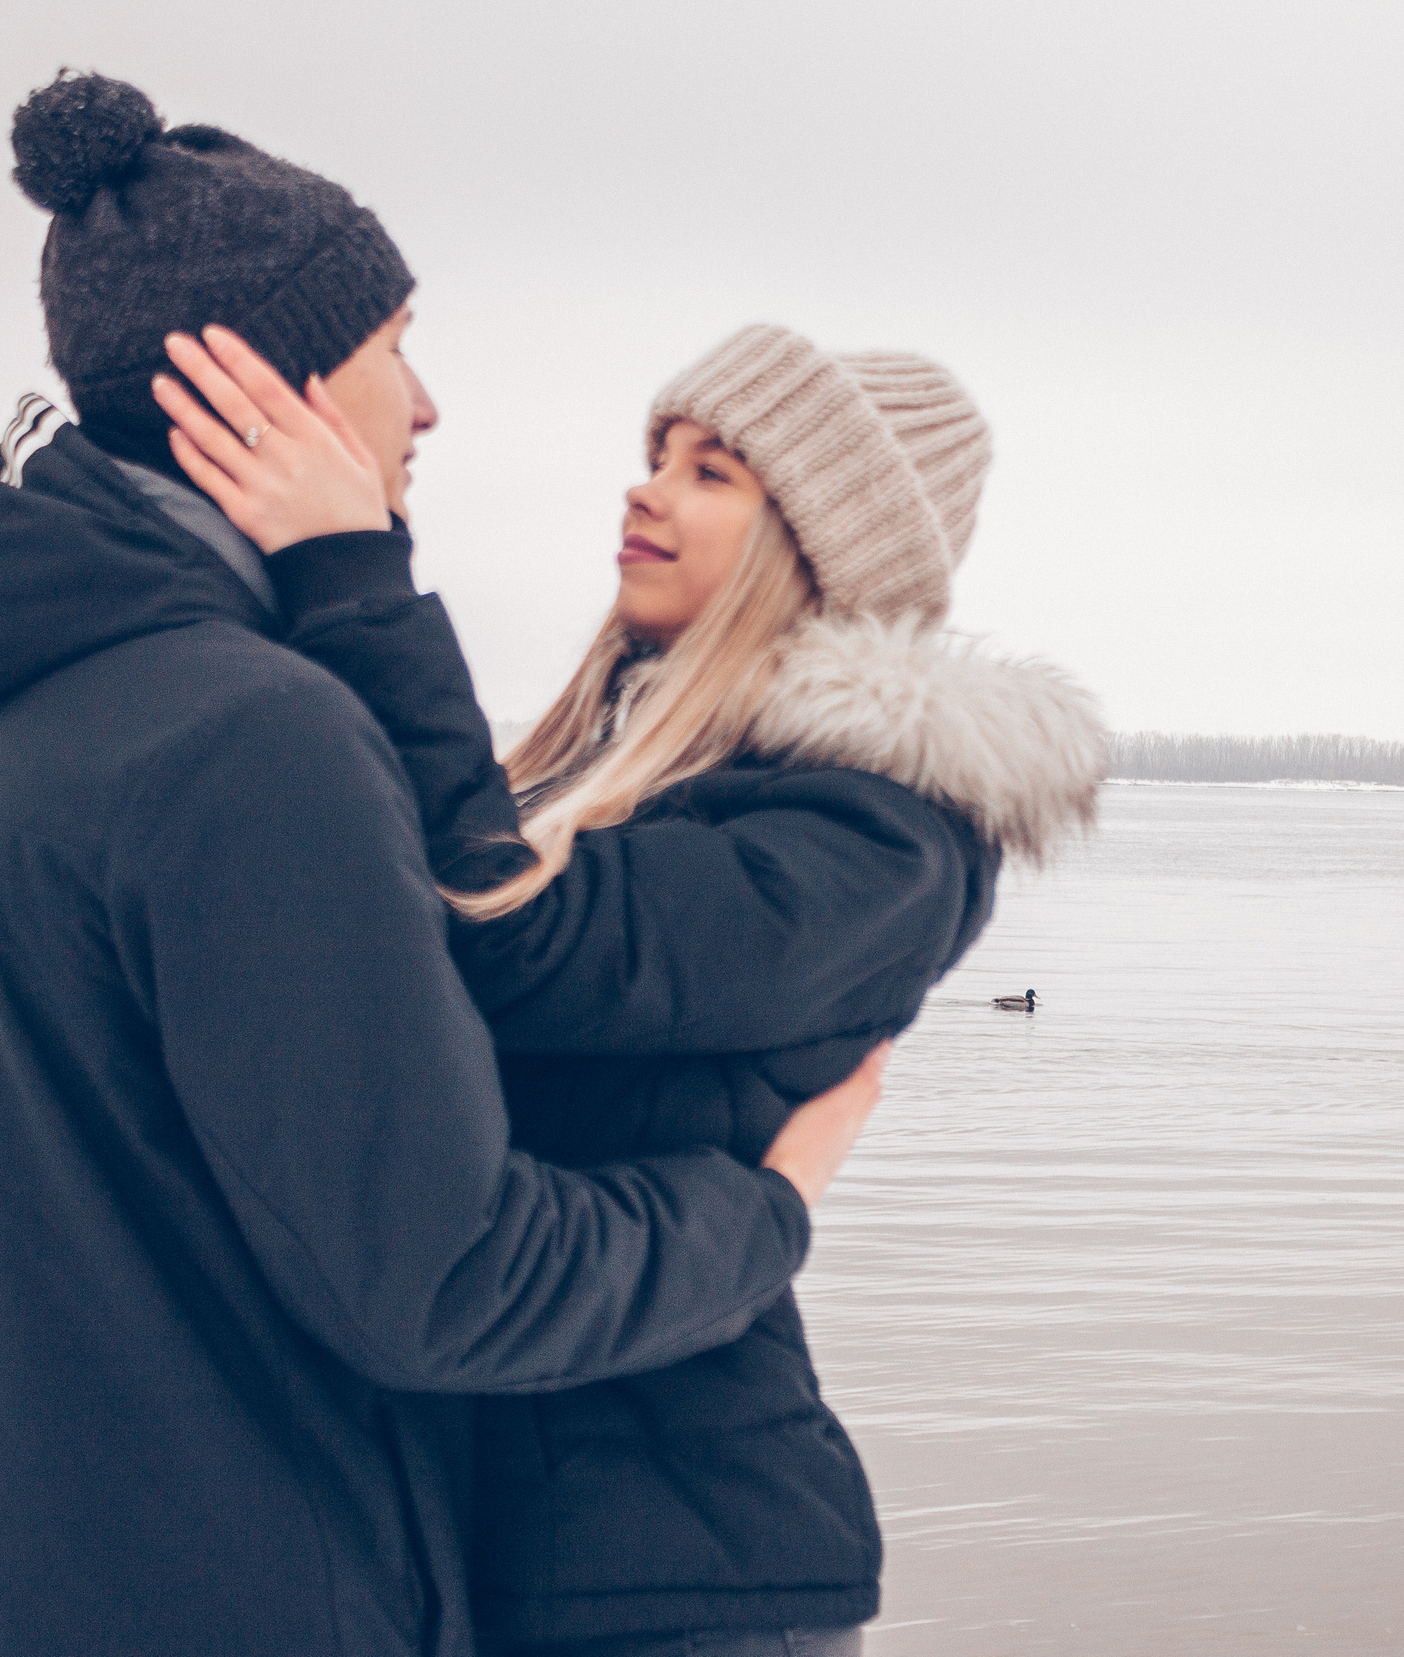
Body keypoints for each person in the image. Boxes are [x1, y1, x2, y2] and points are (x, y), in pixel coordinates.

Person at [0, 73, 885, 1657]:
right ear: (265, 389)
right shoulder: (253, 738)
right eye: (396, 347)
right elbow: (454, 1284)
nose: (428, 407)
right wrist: (763, 1207)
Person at [151, 319, 1107, 1654]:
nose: (645, 487)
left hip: (678, 1578)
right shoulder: (617, 779)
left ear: (819, 550)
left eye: (714, 472)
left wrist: (350, 570)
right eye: (657, 452)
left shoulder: (880, 838)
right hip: (490, 1539)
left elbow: (514, 941)